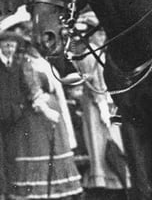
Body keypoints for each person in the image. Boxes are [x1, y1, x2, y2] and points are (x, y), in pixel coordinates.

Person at [8, 26, 82, 200]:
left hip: (53, 110)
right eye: (33, 44)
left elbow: (57, 86)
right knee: (40, 150)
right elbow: (32, 89)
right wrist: (46, 109)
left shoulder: (44, 61)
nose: (38, 47)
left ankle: (57, 191)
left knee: (55, 150)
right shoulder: (26, 62)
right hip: (37, 114)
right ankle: (39, 192)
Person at [68, 11, 128, 191]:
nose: (102, 36)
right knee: (99, 141)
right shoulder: (89, 54)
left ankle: (116, 180)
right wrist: (102, 107)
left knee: (114, 141)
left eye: (103, 33)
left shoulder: (104, 51)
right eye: (99, 33)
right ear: (91, 34)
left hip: (108, 102)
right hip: (96, 104)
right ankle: (102, 181)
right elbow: (95, 82)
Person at [0, 31, 25, 199]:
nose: (9, 49)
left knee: (12, 153)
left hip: (14, 116)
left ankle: (11, 189)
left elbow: (22, 86)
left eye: (12, 45)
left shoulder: (17, 64)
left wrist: (20, 105)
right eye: (6, 45)